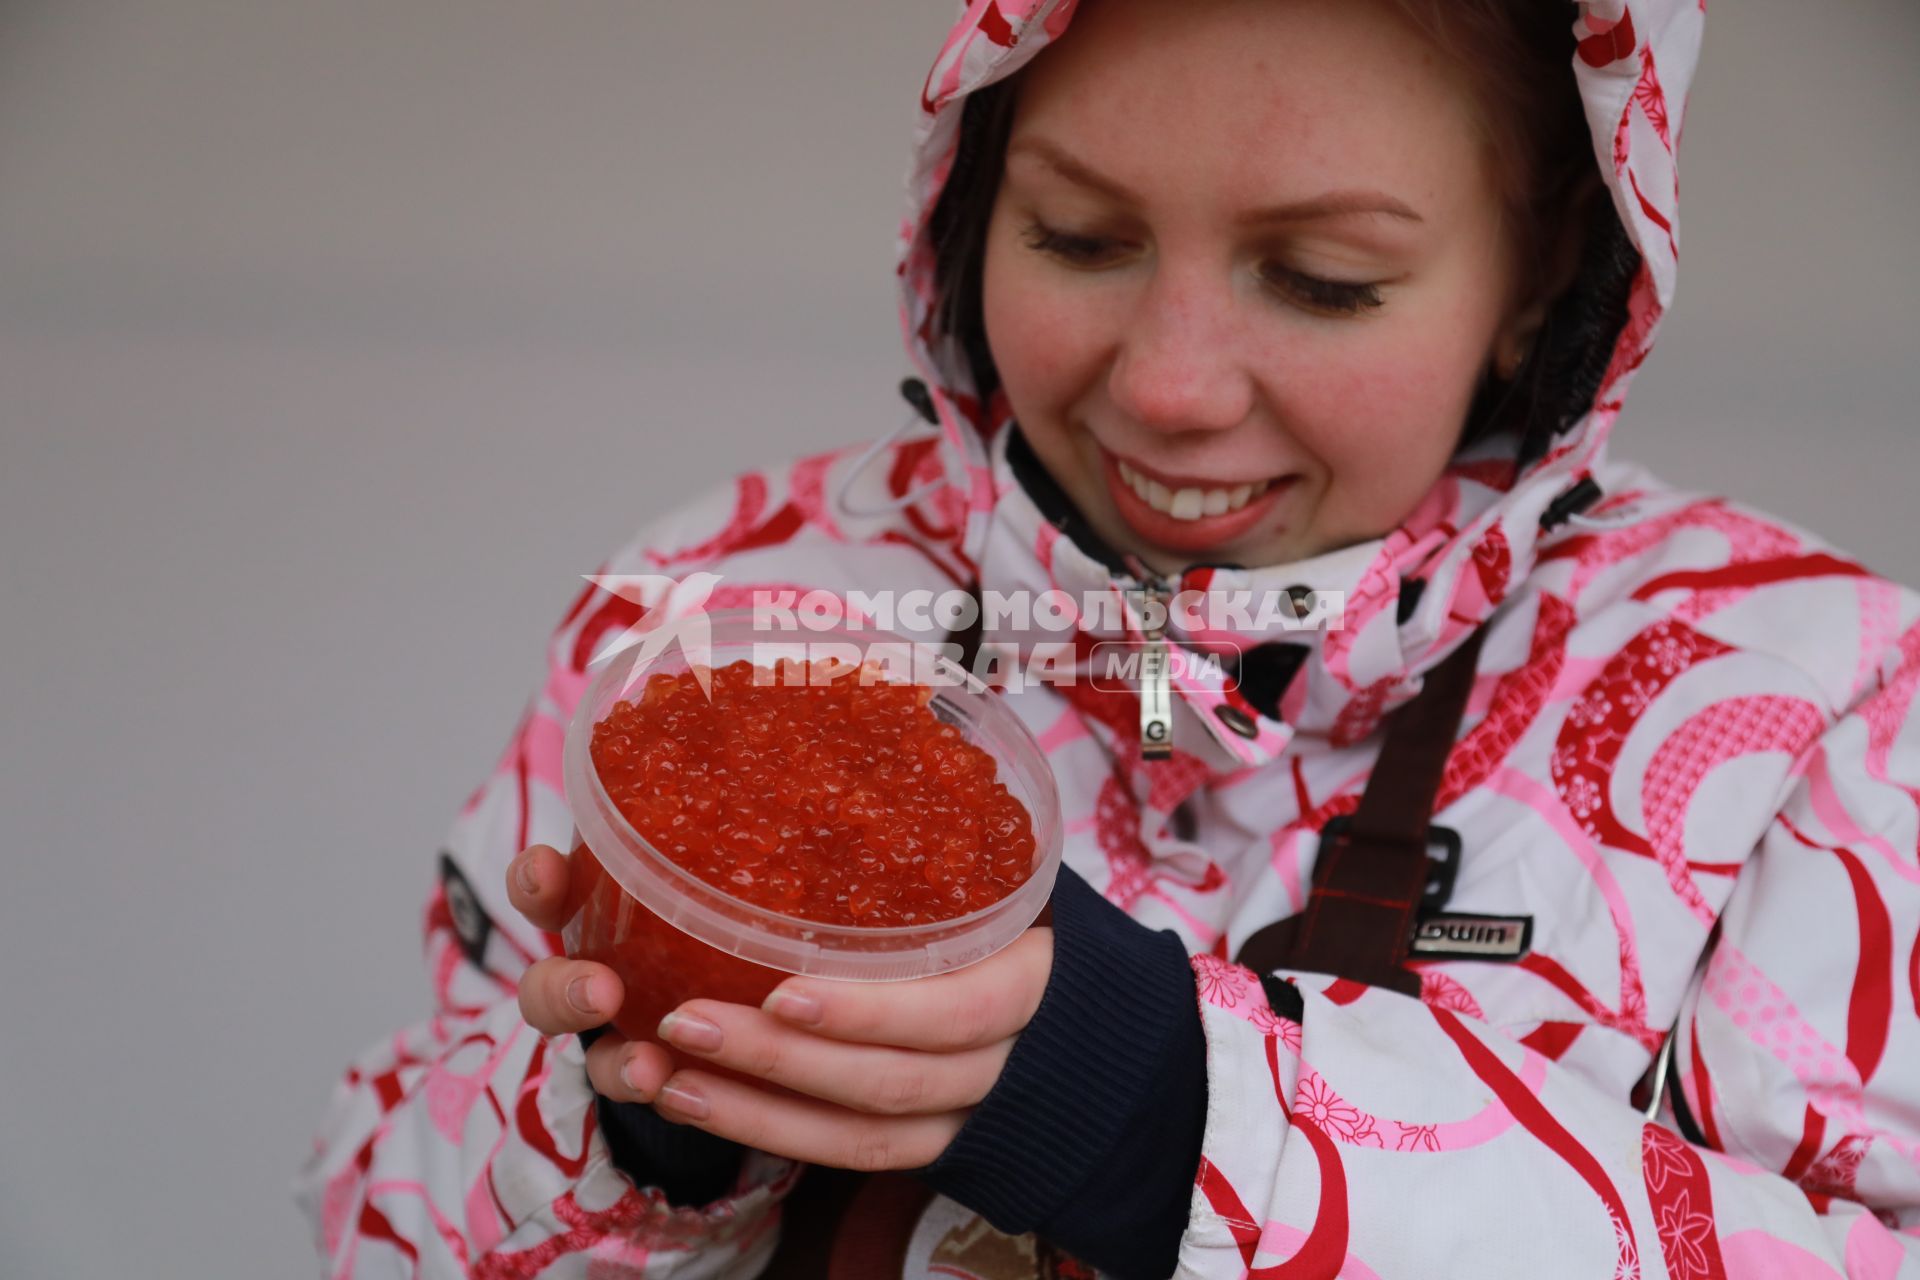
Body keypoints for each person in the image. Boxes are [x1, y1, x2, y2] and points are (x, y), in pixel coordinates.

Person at [295, 0, 1920, 1275]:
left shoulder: (1813, 704)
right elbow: (373, 1213)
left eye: (1322, 277)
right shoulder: (729, 607)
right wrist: (641, 1143)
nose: (1169, 385)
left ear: (1548, 263)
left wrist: (1171, 1121)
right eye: (1078, 236)